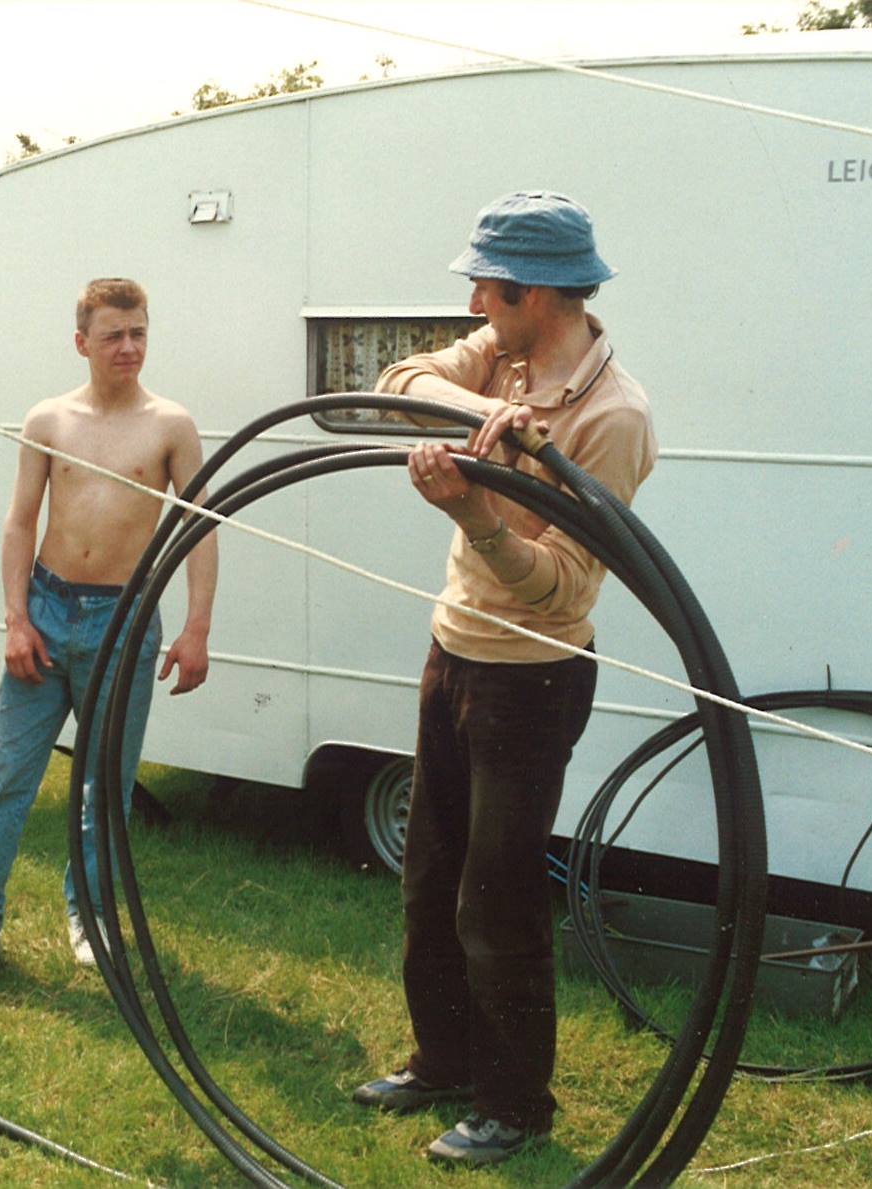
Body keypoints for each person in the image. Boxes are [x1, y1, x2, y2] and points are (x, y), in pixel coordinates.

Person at [354, 192, 657, 1166]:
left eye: (486, 285)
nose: (473, 302)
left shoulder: (613, 415)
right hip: (452, 651)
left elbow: (564, 581)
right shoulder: (502, 356)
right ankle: (443, 1060)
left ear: (533, 291)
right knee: (429, 882)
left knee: (497, 899)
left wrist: (473, 514)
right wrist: (495, 415)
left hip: (531, 679)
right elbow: (399, 380)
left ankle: (515, 1104)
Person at [0, 278, 219, 979]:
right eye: (113, 335)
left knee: (104, 787)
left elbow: (200, 528)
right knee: (5, 777)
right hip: (47, 611)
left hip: (125, 619)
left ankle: (90, 916)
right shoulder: (49, 420)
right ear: (82, 342)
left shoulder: (170, 425)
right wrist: (16, 620)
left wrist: (197, 629)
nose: (128, 347)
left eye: (138, 333)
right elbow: (20, 520)